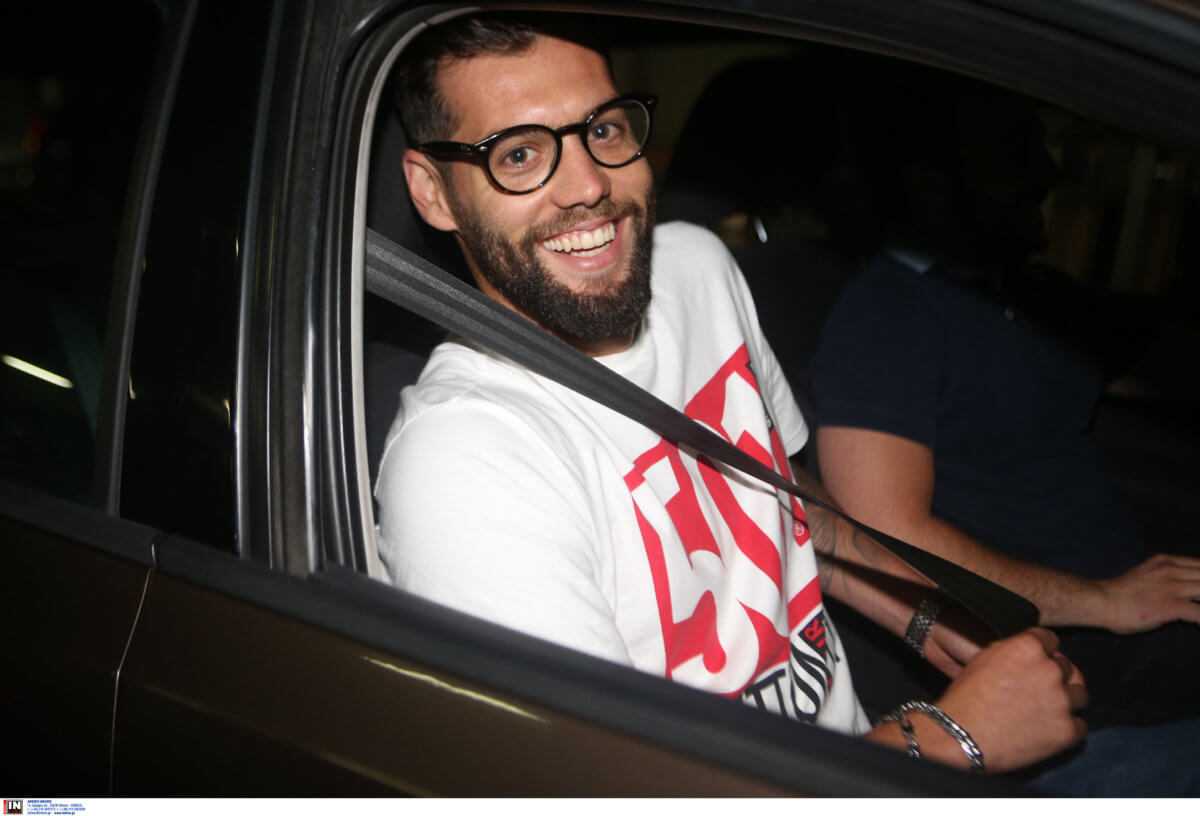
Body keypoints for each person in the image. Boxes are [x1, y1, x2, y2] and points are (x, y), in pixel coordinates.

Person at [373, 13, 1093, 782]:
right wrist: (951, 737)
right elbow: (614, 787)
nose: (589, 186)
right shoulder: (464, 464)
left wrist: (915, 613)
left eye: (604, 131)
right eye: (518, 154)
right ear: (433, 192)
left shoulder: (697, 267)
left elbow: (778, 497)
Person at [811, 83, 1200, 730]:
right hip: (1076, 673)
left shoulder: (1020, 295)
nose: (1047, 172)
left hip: (1140, 634)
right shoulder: (889, 314)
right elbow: (887, 531)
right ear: (935, 182)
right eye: (1017, 152)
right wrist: (1108, 601)